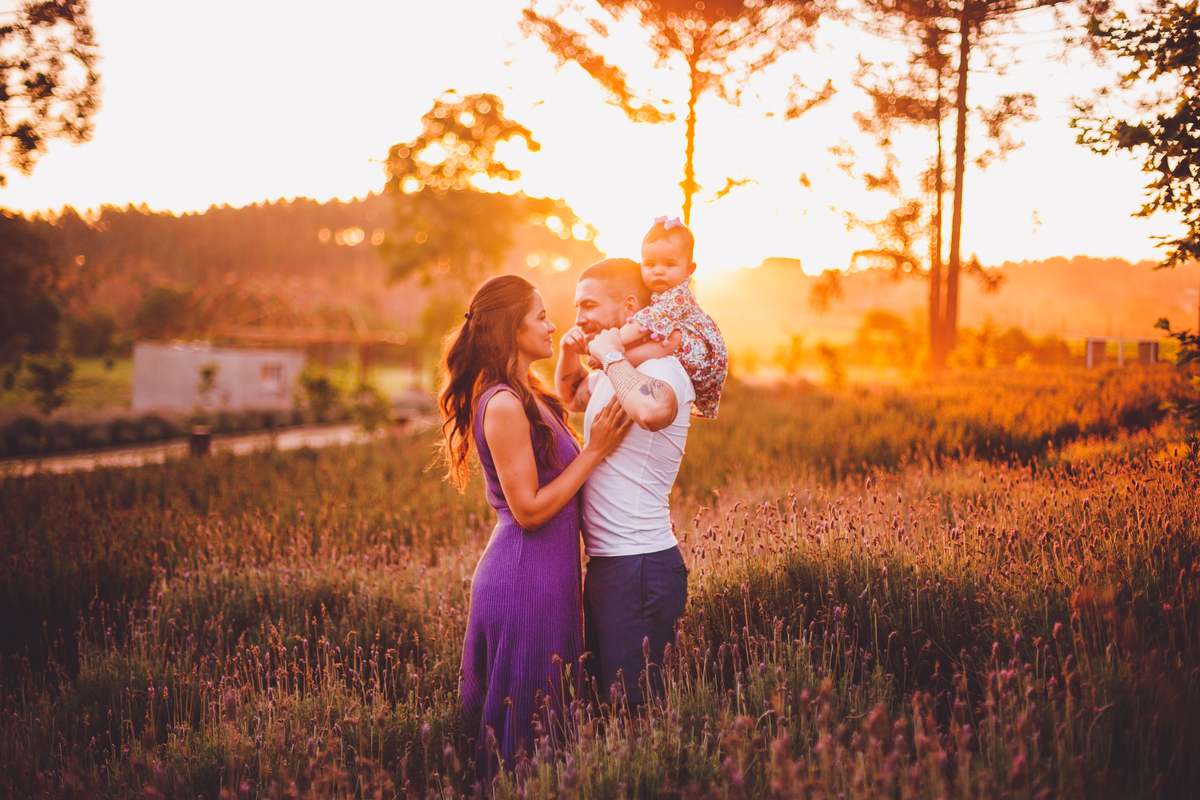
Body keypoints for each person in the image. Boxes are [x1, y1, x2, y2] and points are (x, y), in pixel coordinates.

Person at [439, 274, 632, 779]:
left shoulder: (527, 392)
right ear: (512, 327)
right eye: (541, 317)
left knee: (545, 724)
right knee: (525, 735)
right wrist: (594, 452)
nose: (552, 325)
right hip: (525, 578)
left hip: (549, 577)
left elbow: (574, 395)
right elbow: (527, 509)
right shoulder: (501, 403)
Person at [553, 257, 697, 707]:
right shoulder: (615, 372)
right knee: (606, 705)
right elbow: (572, 395)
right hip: (610, 566)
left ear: (630, 306)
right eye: (577, 307)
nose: (579, 317)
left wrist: (611, 351)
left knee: (634, 712)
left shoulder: (663, 369)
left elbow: (653, 412)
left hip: (640, 566)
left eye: (590, 305)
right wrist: (568, 351)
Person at [613, 216, 728, 419]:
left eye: (668, 264)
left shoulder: (677, 295)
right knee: (666, 338)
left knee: (670, 339)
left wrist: (612, 343)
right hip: (690, 349)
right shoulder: (659, 294)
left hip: (702, 355)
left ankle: (619, 359)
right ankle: (619, 358)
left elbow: (647, 321)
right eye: (650, 264)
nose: (658, 271)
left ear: (688, 270)